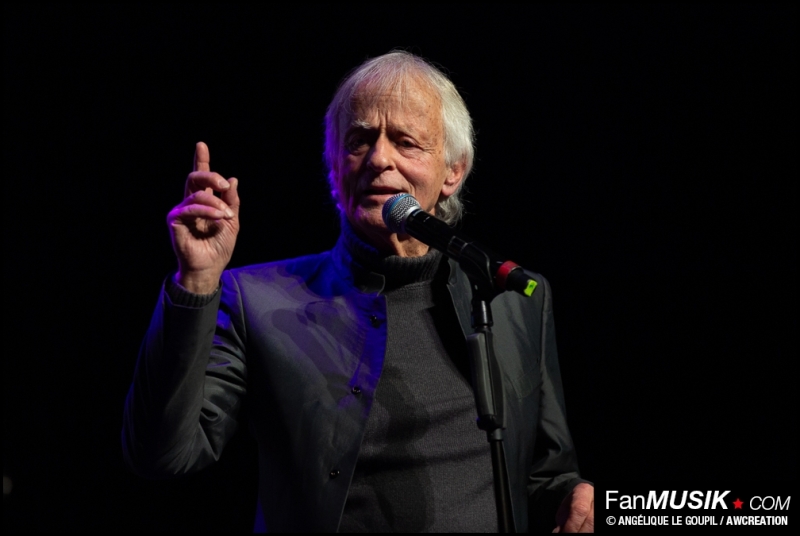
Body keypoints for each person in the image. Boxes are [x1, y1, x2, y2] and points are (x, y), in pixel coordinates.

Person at [122, 51, 594, 532]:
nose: (379, 159)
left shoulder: (514, 300)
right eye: (359, 140)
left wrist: (575, 498)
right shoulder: (257, 301)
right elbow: (162, 454)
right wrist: (197, 282)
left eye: (406, 142)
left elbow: (544, 473)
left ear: (453, 172)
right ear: (333, 166)